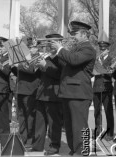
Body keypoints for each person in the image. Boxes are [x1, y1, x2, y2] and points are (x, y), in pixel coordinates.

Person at [51, 21, 96, 155]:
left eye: (74, 34)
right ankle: (74, 149)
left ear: (84, 34)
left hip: (79, 93)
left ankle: (82, 151)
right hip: (68, 92)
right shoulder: (74, 50)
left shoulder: (88, 49)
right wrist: (54, 54)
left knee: (79, 125)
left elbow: (74, 60)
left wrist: (60, 49)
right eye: (71, 34)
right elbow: (64, 65)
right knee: (70, 126)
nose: (72, 36)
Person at [31, 34, 63, 155]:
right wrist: (38, 67)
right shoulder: (48, 57)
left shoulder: (62, 58)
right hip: (41, 93)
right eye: (49, 42)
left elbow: (59, 75)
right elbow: (41, 76)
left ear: (59, 42)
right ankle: (37, 145)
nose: (50, 45)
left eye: (52, 42)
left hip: (54, 94)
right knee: (40, 122)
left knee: (53, 123)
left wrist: (45, 65)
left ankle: (54, 146)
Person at [11, 37, 41, 147]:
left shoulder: (38, 57)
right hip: (20, 90)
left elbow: (32, 70)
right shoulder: (23, 57)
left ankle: (30, 139)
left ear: (35, 48)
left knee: (30, 116)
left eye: (30, 47)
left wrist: (18, 65)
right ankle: (22, 138)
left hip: (30, 91)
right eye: (27, 47)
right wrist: (13, 67)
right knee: (20, 116)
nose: (28, 49)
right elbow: (19, 72)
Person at [93, 41, 114, 141]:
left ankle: (110, 133)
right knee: (97, 111)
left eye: (104, 49)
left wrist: (102, 67)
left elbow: (112, 73)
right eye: (100, 49)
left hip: (107, 87)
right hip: (96, 87)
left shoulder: (111, 59)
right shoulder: (96, 60)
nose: (102, 50)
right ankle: (98, 131)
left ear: (108, 50)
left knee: (108, 111)